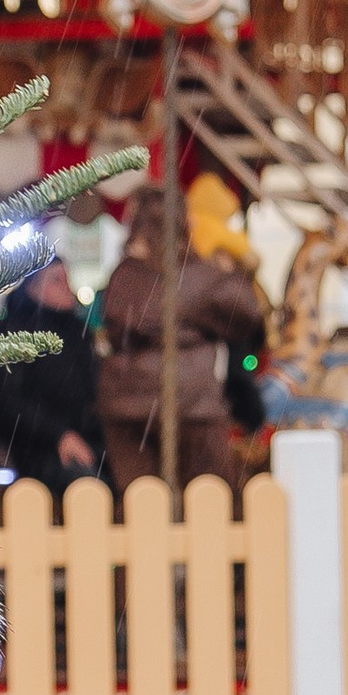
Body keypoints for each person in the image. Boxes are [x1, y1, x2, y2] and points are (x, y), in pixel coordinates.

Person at [94, 182, 266, 493]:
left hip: (127, 399)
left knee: (141, 498)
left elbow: (120, 324)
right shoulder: (198, 275)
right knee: (210, 495)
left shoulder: (123, 277)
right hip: (190, 399)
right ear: (185, 222)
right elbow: (248, 314)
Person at [0, 252, 105, 497]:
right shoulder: (14, 335)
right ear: (33, 289)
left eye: (66, 280)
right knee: (85, 489)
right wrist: (58, 435)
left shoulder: (77, 332)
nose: (66, 289)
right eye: (56, 281)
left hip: (87, 438)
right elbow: (9, 402)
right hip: (36, 446)